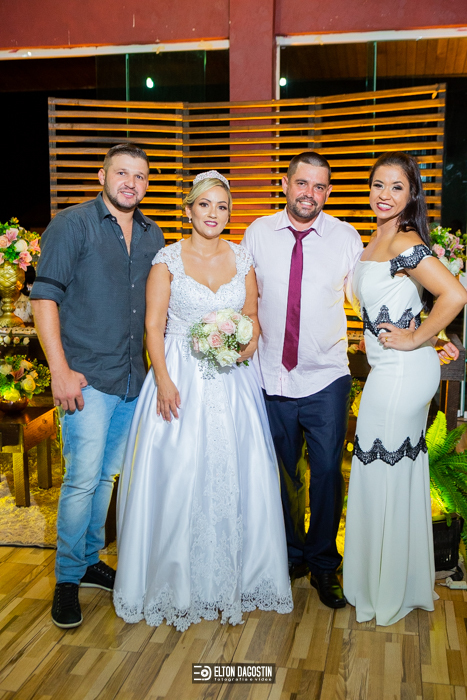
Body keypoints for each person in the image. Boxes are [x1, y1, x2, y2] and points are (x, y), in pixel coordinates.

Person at [113, 171, 293, 631]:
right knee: (179, 473)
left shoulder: (242, 258)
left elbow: (251, 316)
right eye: (205, 205)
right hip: (179, 375)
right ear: (189, 209)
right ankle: (176, 580)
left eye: (222, 206)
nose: (214, 214)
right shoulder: (166, 261)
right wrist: (164, 380)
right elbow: (153, 326)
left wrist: (245, 346)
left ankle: (237, 575)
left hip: (233, 381)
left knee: (237, 471)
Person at [30, 144, 165, 629]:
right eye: (122, 173)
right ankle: (67, 579)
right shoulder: (71, 225)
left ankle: (89, 561)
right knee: (81, 480)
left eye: (140, 176)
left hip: (132, 380)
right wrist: (59, 371)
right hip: (85, 377)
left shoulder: (153, 234)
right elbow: (43, 298)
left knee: (106, 478)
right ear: (102, 175)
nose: (131, 182)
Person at [343, 151, 467, 626]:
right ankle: (394, 579)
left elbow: (455, 294)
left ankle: (385, 587)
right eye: (378, 184)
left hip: (402, 371)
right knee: (386, 469)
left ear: (412, 193)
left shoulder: (406, 241)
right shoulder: (378, 237)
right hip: (389, 366)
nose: (385, 194)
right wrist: (375, 331)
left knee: (382, 468)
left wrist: (417, 338)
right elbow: (394, 302)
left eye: (397, 186)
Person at [242, 151, 363, 609]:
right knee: (283, 472)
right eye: (302, 183)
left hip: (326, 375)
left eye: (319, 186)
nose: (310, 193)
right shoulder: (258, 233)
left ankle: (324, 563)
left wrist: (420, 331)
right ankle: (291, 554)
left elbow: (366, 298)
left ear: (327, 192)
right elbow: (242, 295)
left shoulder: (345, 237)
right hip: (270, 375)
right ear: (286, 184)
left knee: (328, 472)